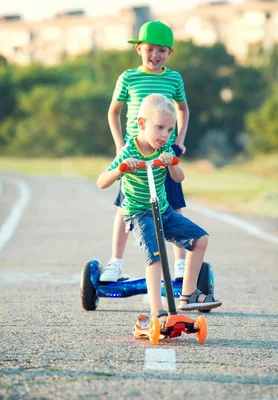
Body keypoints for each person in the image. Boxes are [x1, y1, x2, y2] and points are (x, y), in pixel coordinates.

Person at [97, 94, 222, 332]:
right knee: (156, 256)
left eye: (169, 129)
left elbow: (179, 177)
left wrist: (172, 162)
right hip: (139, 214)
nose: (164, 134)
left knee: (201, 239)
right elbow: (102, 181)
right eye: (160, 127)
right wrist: (121, 169)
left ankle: (188, 295)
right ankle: (158, 310)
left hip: (163, 211)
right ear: (142, 124)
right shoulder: (128, 152)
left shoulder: (164, 150)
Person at [99, 20, 190, 283]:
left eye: (162, 50)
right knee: (126, 205)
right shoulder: (129, 77)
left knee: (172, 202)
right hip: (134, 150)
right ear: (139, 48)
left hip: (164, 150)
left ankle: (181, 265)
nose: (155, 55)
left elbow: (183, 108)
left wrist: (180, 139)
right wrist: (119, 144)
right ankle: (115, 263)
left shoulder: (174, 78)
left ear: (169, 53)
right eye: (150, 49)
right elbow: (113, 111)